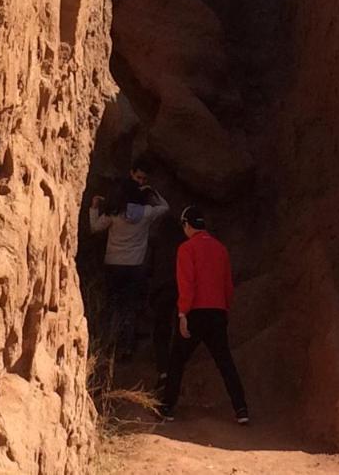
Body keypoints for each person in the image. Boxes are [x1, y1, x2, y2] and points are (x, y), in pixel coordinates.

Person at [158, 205, 248, 424]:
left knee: (177, 360)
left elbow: (187, 284)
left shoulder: (186, 249)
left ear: (187, 225)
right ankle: (241, 409)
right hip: (217, 312)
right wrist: (225, 309)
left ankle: (167, 408)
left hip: (195, 313)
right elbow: (228, 285)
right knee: (225, 362)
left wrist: (182, 314)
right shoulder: (221, 249)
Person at [90, 161, 169, 359]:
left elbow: (94, 228)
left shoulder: (114, 213)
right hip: (135, 267)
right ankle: (127, 347)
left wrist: (93, 208)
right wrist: (151, 192)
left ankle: (107, 345)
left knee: (113, 305)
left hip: (113, 264)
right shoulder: (146, 214)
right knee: (130, 306)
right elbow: (165, 207)